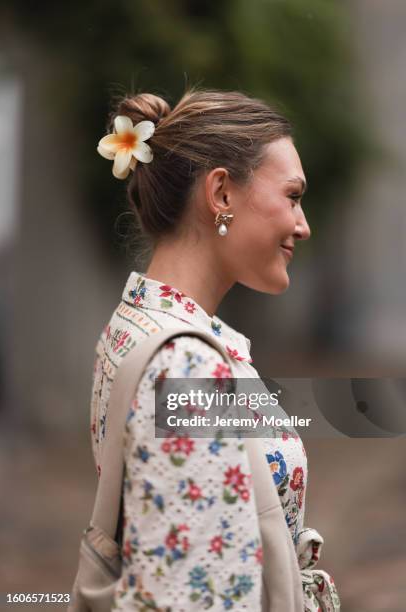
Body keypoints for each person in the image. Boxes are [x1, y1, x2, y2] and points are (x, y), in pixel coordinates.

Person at [92, 88, 341, 610]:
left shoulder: (136, 324)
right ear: (222, 194)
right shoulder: (185, 362)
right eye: (292, 197)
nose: (303, 224)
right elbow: (196, 593)